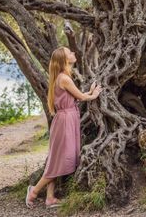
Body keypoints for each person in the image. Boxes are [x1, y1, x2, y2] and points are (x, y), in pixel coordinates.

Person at [25, 46, 102, 209]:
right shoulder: (64, 78)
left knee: (56, 160)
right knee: (60, 160)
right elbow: (80, 97)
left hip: (67, 119)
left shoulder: (63, 77)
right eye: (70, 52)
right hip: (65, 121)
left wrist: (88, 92)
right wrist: (93, 95)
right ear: (64, 60)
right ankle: (34, 190)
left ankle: (50, 198)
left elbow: (76, 97)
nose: (73, 53)